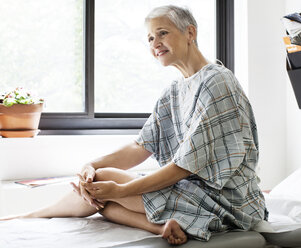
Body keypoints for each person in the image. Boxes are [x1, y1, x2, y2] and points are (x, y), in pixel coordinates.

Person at [0, 5, 267, 245]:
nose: (155, 43)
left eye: (162, 33)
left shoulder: (217, 81)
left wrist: (122, 189)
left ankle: (31, 215)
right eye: (150, 38)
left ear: (190, 32)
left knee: (104, 186)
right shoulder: (174, 91)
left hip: (229, 202)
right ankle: (160, 227)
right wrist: (91, 165)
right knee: (99, 189)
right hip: (192, 192)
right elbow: (141, 146)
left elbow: (183, 167)